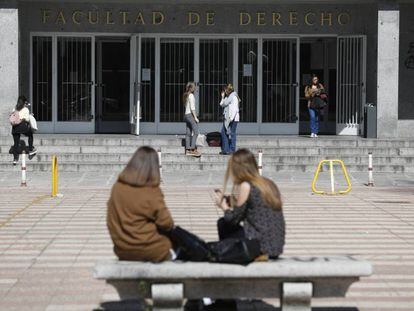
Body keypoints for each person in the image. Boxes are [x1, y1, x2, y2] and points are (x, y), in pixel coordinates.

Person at [212, 148, 285, 259]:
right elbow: (255, 209)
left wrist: (224, 206)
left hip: (260, 246)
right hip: (275, 246)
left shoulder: (246, 185)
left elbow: (233, 219)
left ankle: (229, 257)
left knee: (223, 223)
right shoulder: (268, 183)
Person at [107, 146, 175, 262]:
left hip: (122, 249)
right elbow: (167, 223)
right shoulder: (151, 191)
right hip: (152, 250)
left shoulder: (117, 188)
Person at [10, 96, 37, 165]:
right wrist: (29, 115)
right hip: (23, 127)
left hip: (15, 128)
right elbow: (27, 119)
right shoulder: (26, 109)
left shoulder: (15, 108)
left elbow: (13, 116)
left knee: (16, 143)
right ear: (24, 102)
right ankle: (31, 150)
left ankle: (15, 159)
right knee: (30, 135)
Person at [219, 84, 240, 155]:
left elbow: (235, 109)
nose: (224, 91)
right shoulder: (227, 98)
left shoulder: (234, 97)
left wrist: (231, 118)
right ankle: (226, 149)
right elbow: (222, 104)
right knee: (223, 132)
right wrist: (222, 97)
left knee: (232, 133)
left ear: (228, 90)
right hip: (228, 118)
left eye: (225, 90)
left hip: (233, 118)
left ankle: (232, 150)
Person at [183, 82, 201, 157]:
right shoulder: (191, 96)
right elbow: (192, 108)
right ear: (192, 88)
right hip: (190, 115)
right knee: (196, 132)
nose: (195, 88)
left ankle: (187, 150)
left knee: (188, 133)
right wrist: (196, 118)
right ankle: (193, 149)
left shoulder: (186, 95)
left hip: (186, 115)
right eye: (194, 87)